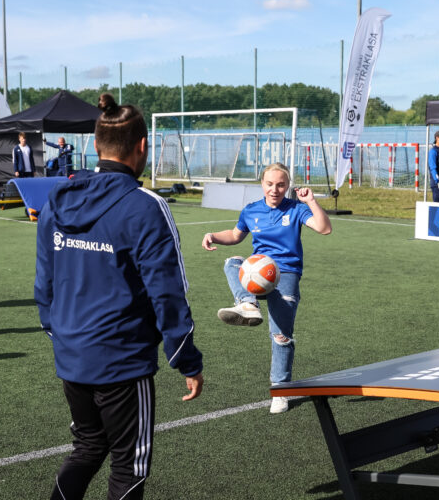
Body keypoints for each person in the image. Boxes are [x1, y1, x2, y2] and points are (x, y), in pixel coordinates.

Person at [35, 93, 204, 500]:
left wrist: (60, 336)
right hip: (122, 362)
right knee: (130, 468)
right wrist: (187, 359)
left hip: (72, 354)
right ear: (143, 145)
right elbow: (168, 294)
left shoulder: (55, 202)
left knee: (88, 448)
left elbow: (45, 285)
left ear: (95, 145)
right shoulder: (146, 207)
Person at [201, 163, 331, 414]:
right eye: (270, 184)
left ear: (288, 186)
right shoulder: (251, 210)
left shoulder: (296, 209)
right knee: (232, 262)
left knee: (281, 336)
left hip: (286, 275)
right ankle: (248, 304)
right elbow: (235, 236)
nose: (275, 189)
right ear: (262, 184)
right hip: (258, 273)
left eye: (281, 185)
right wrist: (213, 235)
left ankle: (280, 390)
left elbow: (324, 228)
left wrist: (312, 201)